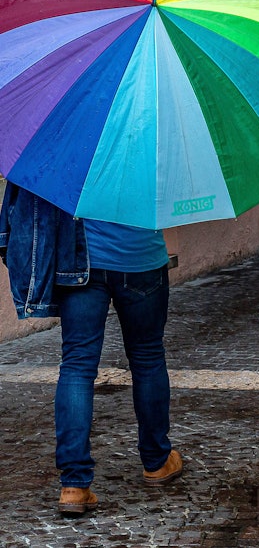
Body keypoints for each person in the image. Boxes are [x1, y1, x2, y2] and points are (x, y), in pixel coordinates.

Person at [0, 182, 183, 517]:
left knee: (77, 367)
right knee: (148, 358)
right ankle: (157, 461)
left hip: (80, 264)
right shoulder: (151, 134)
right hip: (141, 259)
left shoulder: (70, 132)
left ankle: (74, 485)